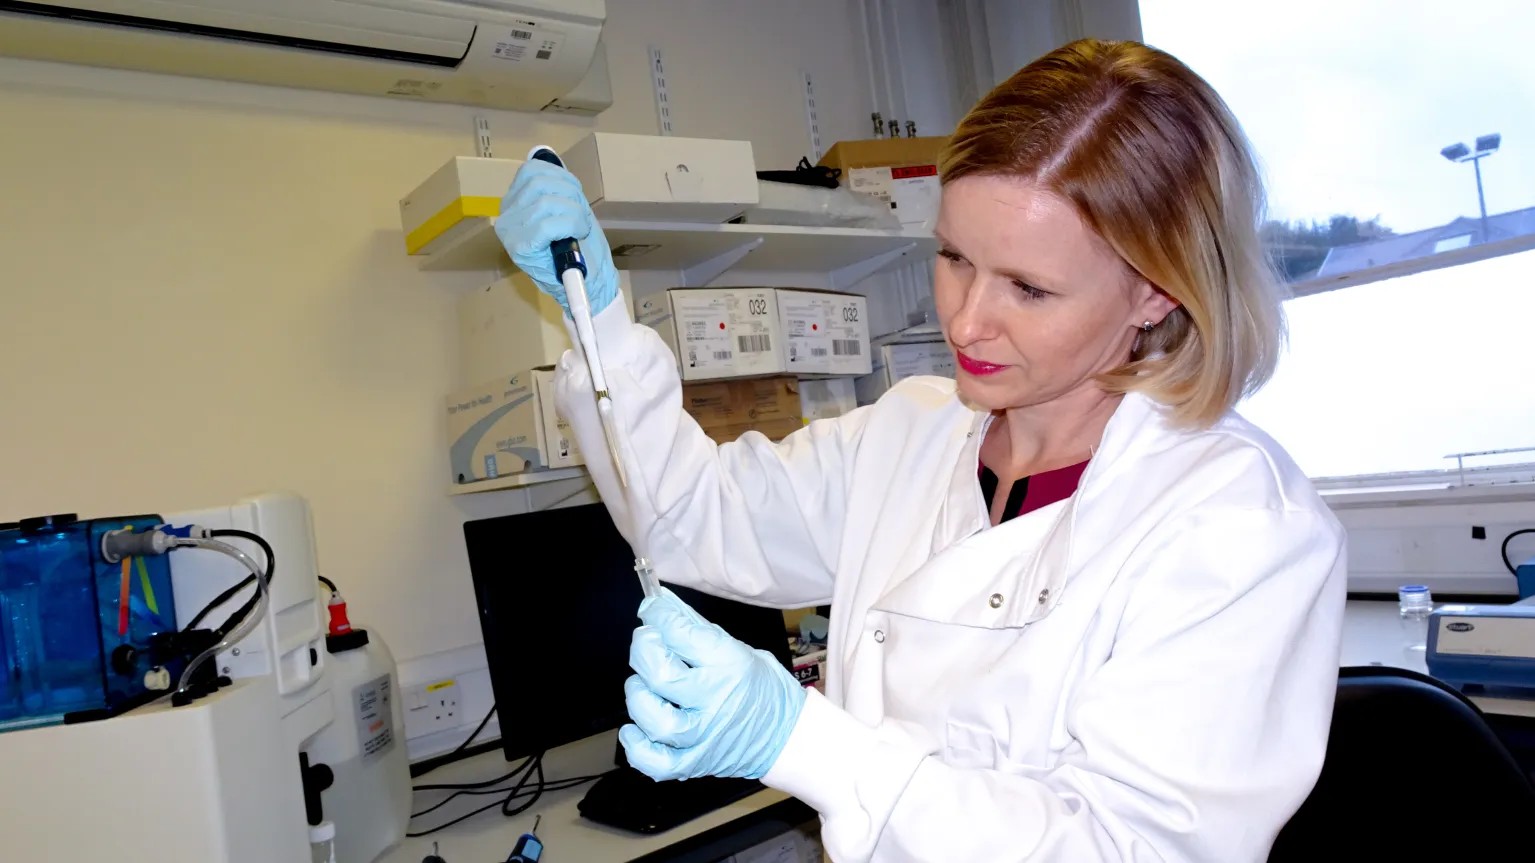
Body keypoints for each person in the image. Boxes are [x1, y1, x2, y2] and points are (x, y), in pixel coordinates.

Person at [495, 38, 1347, 863]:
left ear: (1154, 292)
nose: (966, 322)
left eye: (1028, 288)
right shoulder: (910, 430)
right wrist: (597, 318)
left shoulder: (1235, 523)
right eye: (953, 257)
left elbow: (1135, 848)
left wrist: (801, 742)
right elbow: (691, 518)